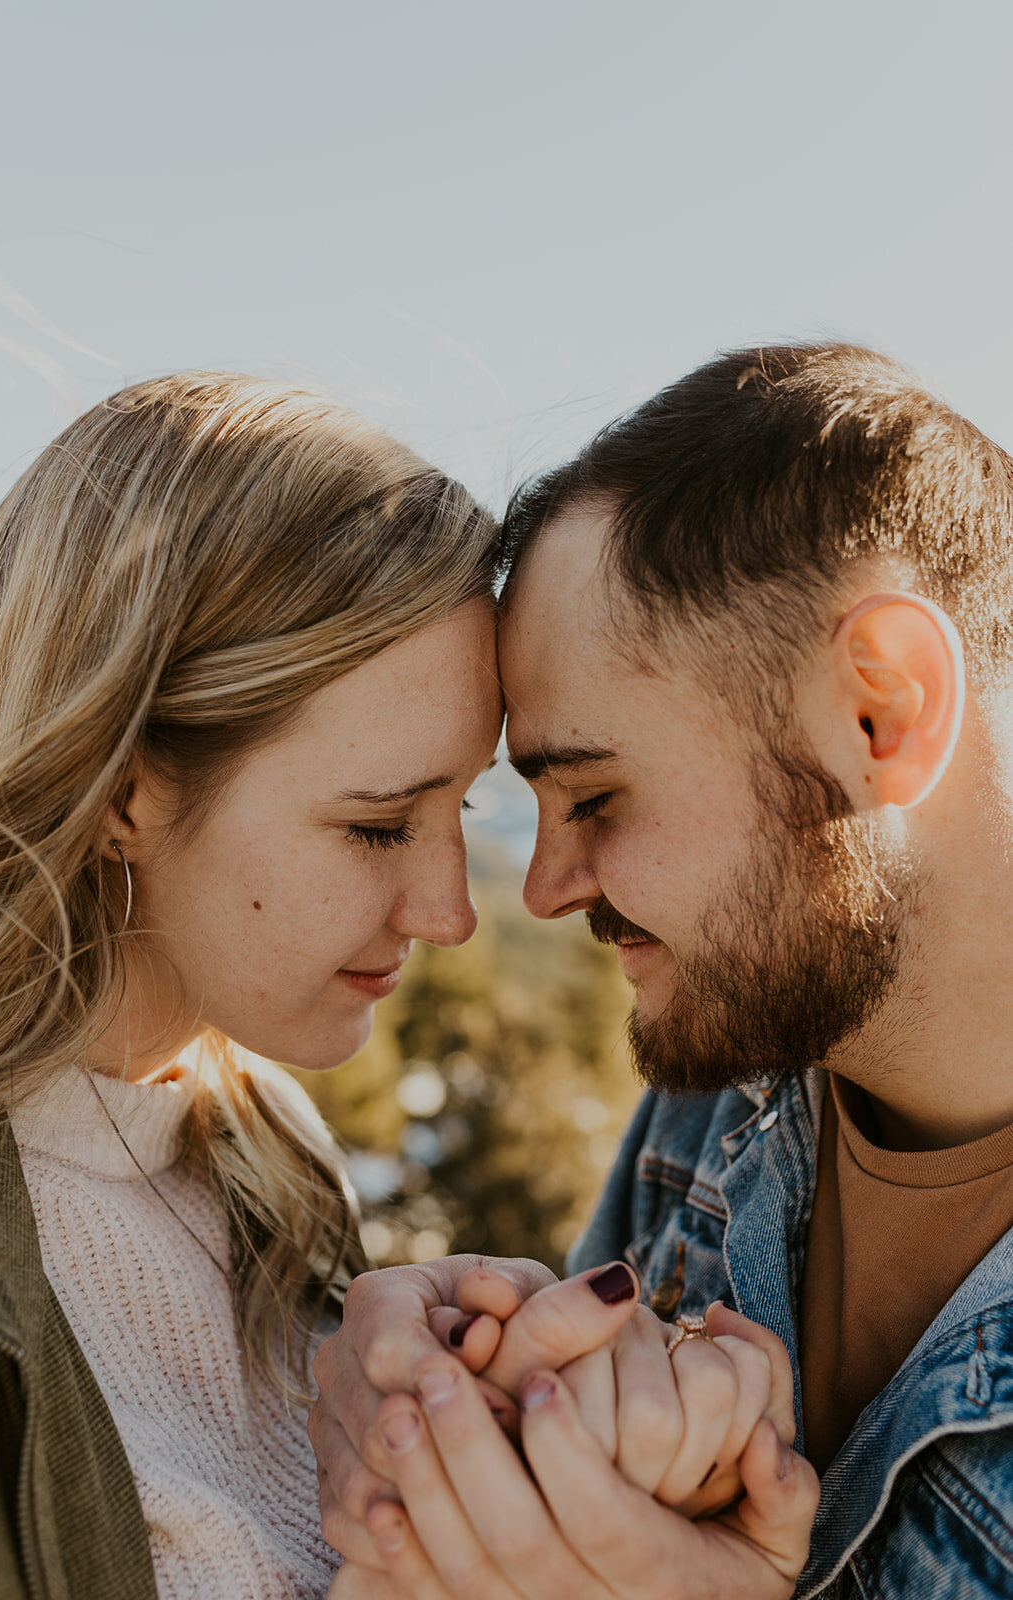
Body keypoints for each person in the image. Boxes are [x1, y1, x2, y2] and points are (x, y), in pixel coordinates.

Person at [312, 344, 1013, 1600]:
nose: (539, 890)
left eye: (594, 794)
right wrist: (463, 1398)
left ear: (882, 711)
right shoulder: (714, 1090)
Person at [0, 371, 505, 1600]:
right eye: (374, 826)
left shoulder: (273, 1154)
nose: (451, 912)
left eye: (460, 804)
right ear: (126, 791)